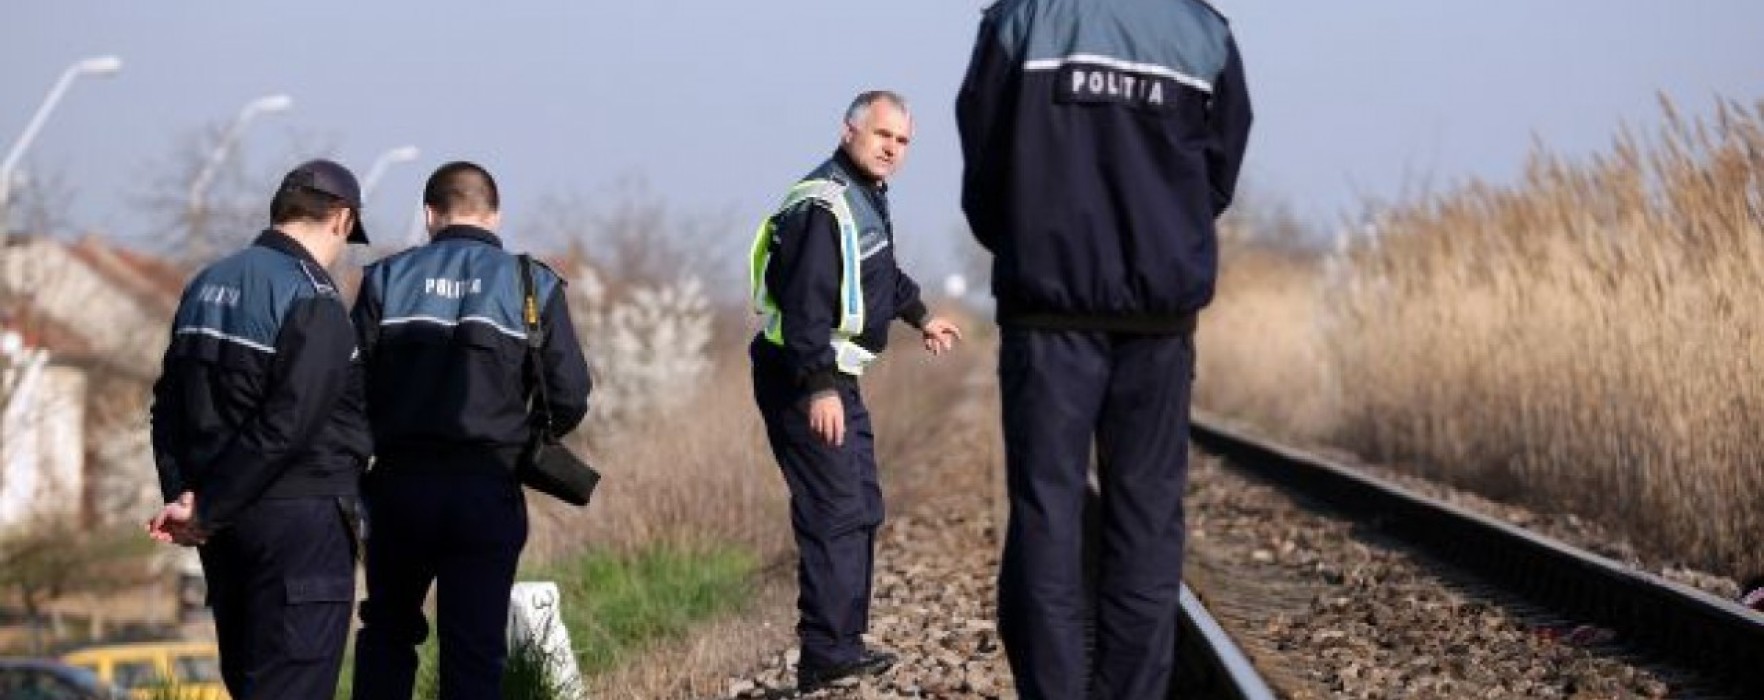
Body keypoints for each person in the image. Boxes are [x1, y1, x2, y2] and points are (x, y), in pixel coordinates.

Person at [957, 0, 1254, 697]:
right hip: (1159, 314)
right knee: (1148, 517)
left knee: (1047, 511)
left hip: (1047, 312)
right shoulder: (1203, 32)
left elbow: (984, 157)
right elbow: (1217, 172)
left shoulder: (1019, 22)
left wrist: (1030, 237)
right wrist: (1160, 231)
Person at [349, 161, 591, 699]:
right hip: (487, 487)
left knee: (388, 631)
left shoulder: (386, 279)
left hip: (398, 490)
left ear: (430, 215)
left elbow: (346, 389)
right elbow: (569, 394)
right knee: (475, 647)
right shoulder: (532, 282)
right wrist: (524, 441)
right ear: (495, 214)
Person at [748, 90, 964, 693]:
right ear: (849, 132)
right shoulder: (824, 205)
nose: (893, 149)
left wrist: (922, 315)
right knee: (834, 510)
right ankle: (826, 655)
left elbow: (880, 274)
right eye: (882, 135)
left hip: (835, 376)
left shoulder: (863, 198)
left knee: (862, 504)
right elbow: (806, 304)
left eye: (902, 141)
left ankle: (843, 643)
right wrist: (819, 388)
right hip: (804, 377)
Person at [147, 158, 373, 699]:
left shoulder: (205, 284)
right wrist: (208, 507)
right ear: (341, 220)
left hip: (223, 533)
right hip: (299, 528)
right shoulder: (312, 298)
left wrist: (187, 497)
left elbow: (167, 408)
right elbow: (288, 425)